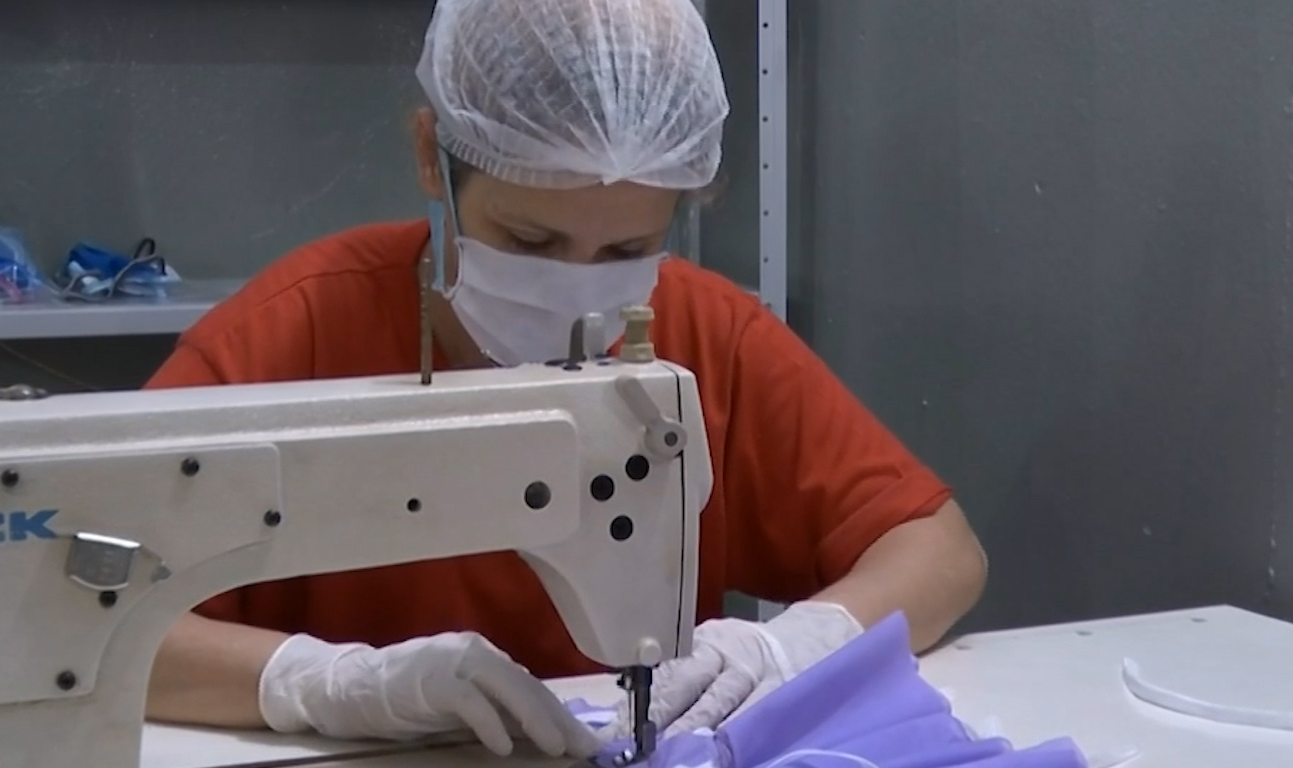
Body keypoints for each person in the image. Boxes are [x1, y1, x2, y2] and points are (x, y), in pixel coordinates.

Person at [143, 0, 988, 759]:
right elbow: (71, 619)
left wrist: (790, 645)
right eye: (531, 243)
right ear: (433, 160)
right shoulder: (292, 335)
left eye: (626, 253)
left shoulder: (705, 332)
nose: (578, 288)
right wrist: (328, 683)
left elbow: (939, 551)